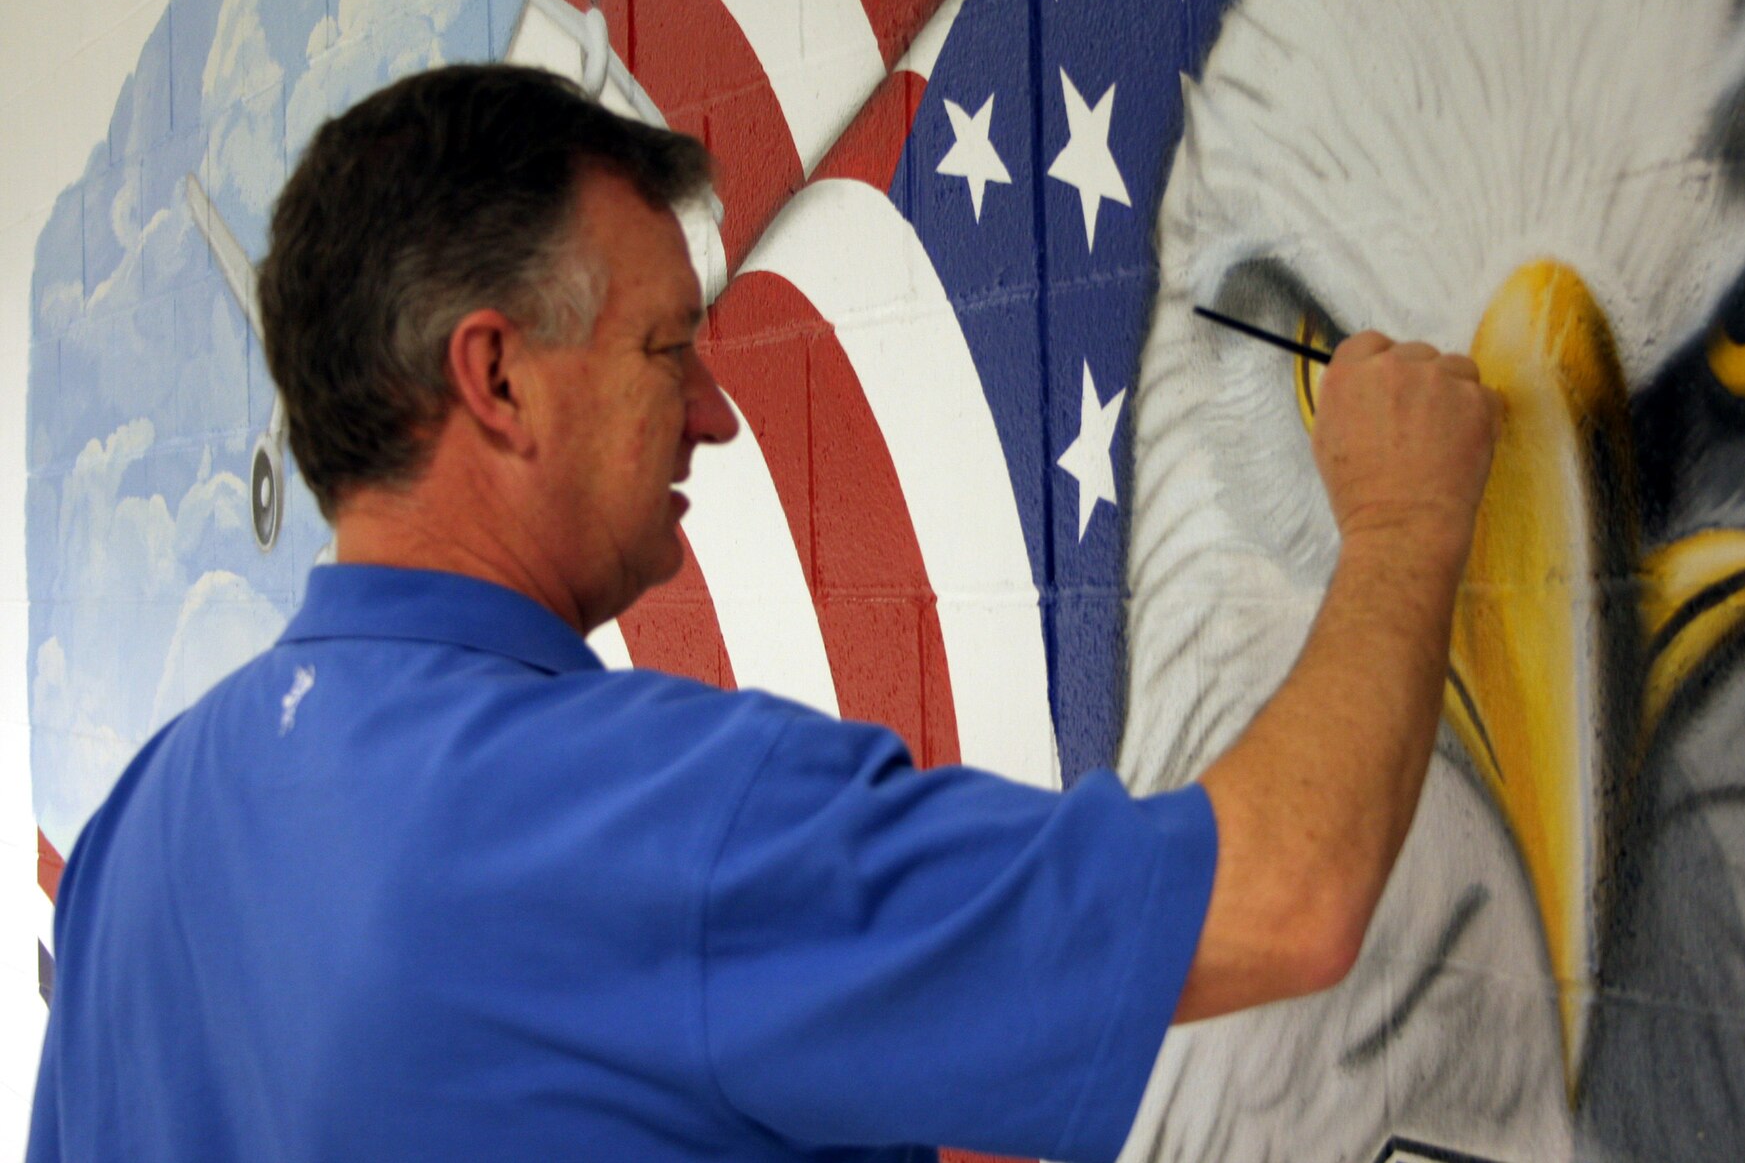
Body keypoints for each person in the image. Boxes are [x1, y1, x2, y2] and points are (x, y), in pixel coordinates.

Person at [27, 64, 1501, 1161]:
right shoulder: (658, 819)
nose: (717, 416)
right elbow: (1277, 900)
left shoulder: (141, 832)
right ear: (496, 378)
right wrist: (1405, 521)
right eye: (673, 347)